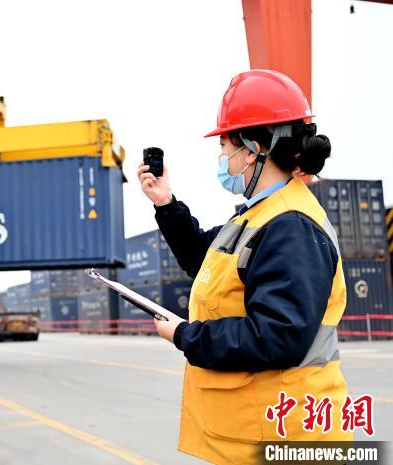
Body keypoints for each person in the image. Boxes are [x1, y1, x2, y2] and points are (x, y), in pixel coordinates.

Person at [138, 69, 353, 465]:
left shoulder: (290, 226)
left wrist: (186, 335)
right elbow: (203, 258)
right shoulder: (257, 217)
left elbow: (277, 335)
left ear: (253, 149)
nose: (221, 158)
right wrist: (165, 203)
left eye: (224, 146)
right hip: (262, 432)